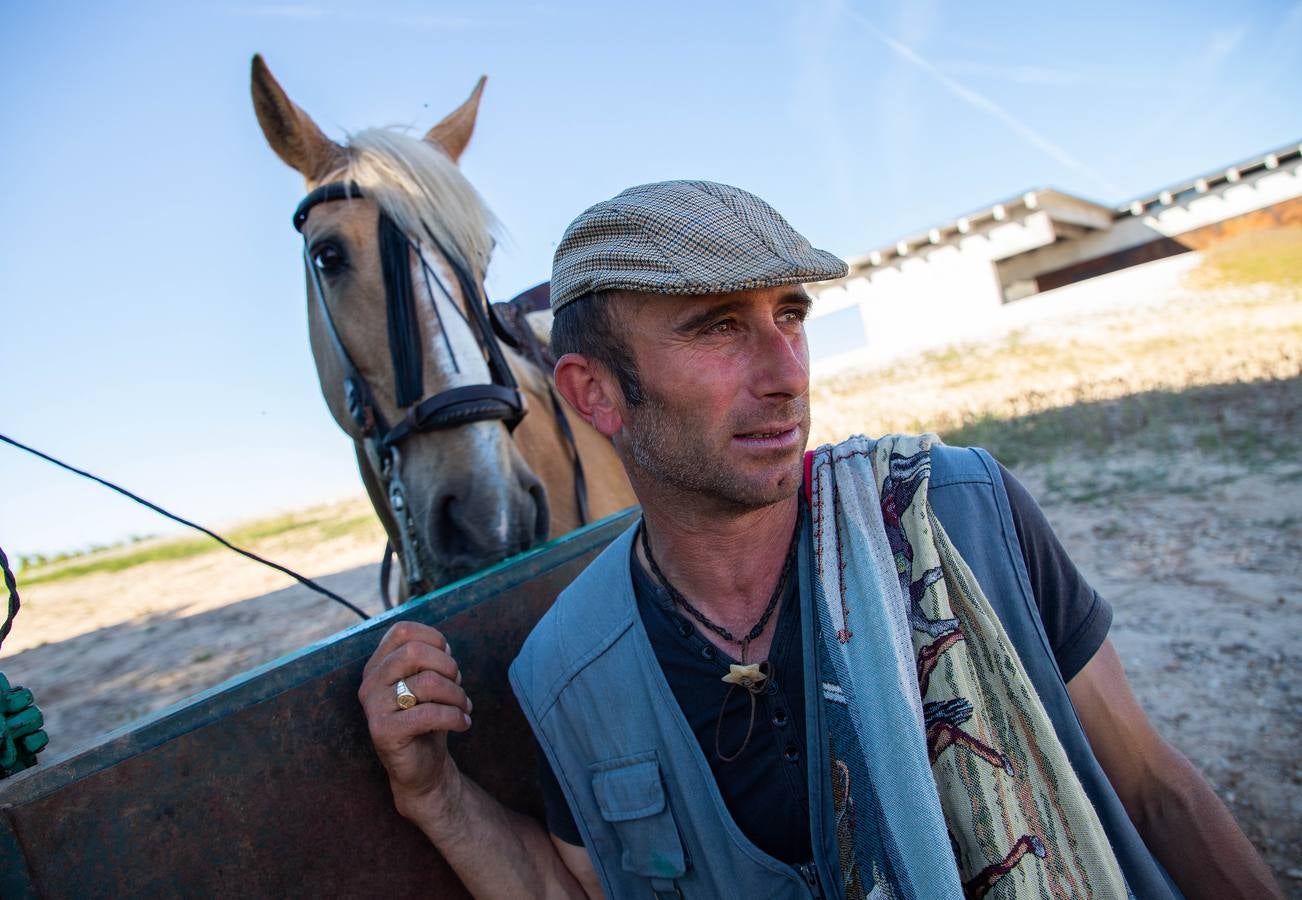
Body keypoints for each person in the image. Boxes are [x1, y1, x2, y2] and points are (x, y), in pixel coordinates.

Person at [358, 181, 1279, 899]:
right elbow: (586, 888)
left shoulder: (960, 515)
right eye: (719, 327)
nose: (786, 373)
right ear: (595, 393)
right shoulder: (571, 672)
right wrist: (434, 797)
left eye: (789, 317)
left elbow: (1158, 793)